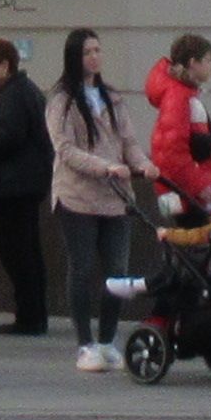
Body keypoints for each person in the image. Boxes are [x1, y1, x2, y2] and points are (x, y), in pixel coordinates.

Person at [47, 26, 143, 370]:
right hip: (77, 197)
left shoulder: (112, 98)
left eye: (98, 51)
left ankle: (107, 340)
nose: (95, 57)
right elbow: (66, 149)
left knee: (117, 271)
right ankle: (85, 344)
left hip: (115, 198)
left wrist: (143, 164)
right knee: (83, 267)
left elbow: (128, 141)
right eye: (88, 52)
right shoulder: (63, 100)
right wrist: (105, 167)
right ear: (75, 57)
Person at [0, 35, 56, 337]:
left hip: (12, 187)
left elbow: (9, 138)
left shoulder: (14, 94)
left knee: (16, 252)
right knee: (27, 251)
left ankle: (29, 316)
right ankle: (33, 313)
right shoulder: (23, 91)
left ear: (5, 66)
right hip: (23, 185)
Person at [148, 31, 211, 219]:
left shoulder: (185, 95)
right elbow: (172, 152)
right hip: (185, 198)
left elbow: (193, 148)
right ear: (193, 62)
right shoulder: (179, 97)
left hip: (183, 195)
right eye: (208, 60)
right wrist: (199, 187)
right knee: (195, 244)